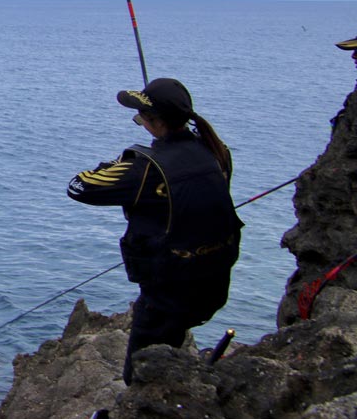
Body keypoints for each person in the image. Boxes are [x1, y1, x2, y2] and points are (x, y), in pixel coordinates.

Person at [67, 77, 244, 385]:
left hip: (169, 291)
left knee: (141, 375)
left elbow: (79, 186)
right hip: (214, 280)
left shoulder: (145, 168)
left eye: (141, 117)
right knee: (170, 343)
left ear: (153, 122)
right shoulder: (218, 151)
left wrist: (122, 161)